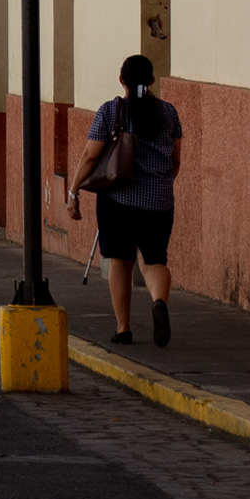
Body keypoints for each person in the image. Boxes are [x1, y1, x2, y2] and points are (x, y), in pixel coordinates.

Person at [69, 54, 184, 347]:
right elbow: (175, 160)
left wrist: (74, 191)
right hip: (159, 203)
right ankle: (159, 302)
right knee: (154, 260)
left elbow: (90, 155)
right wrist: (160, 186)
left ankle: (123, 328)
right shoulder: (169, 113)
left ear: (122, 80)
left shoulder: (111, 111)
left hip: (118, 200)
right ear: (152, 81)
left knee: (120, 261)